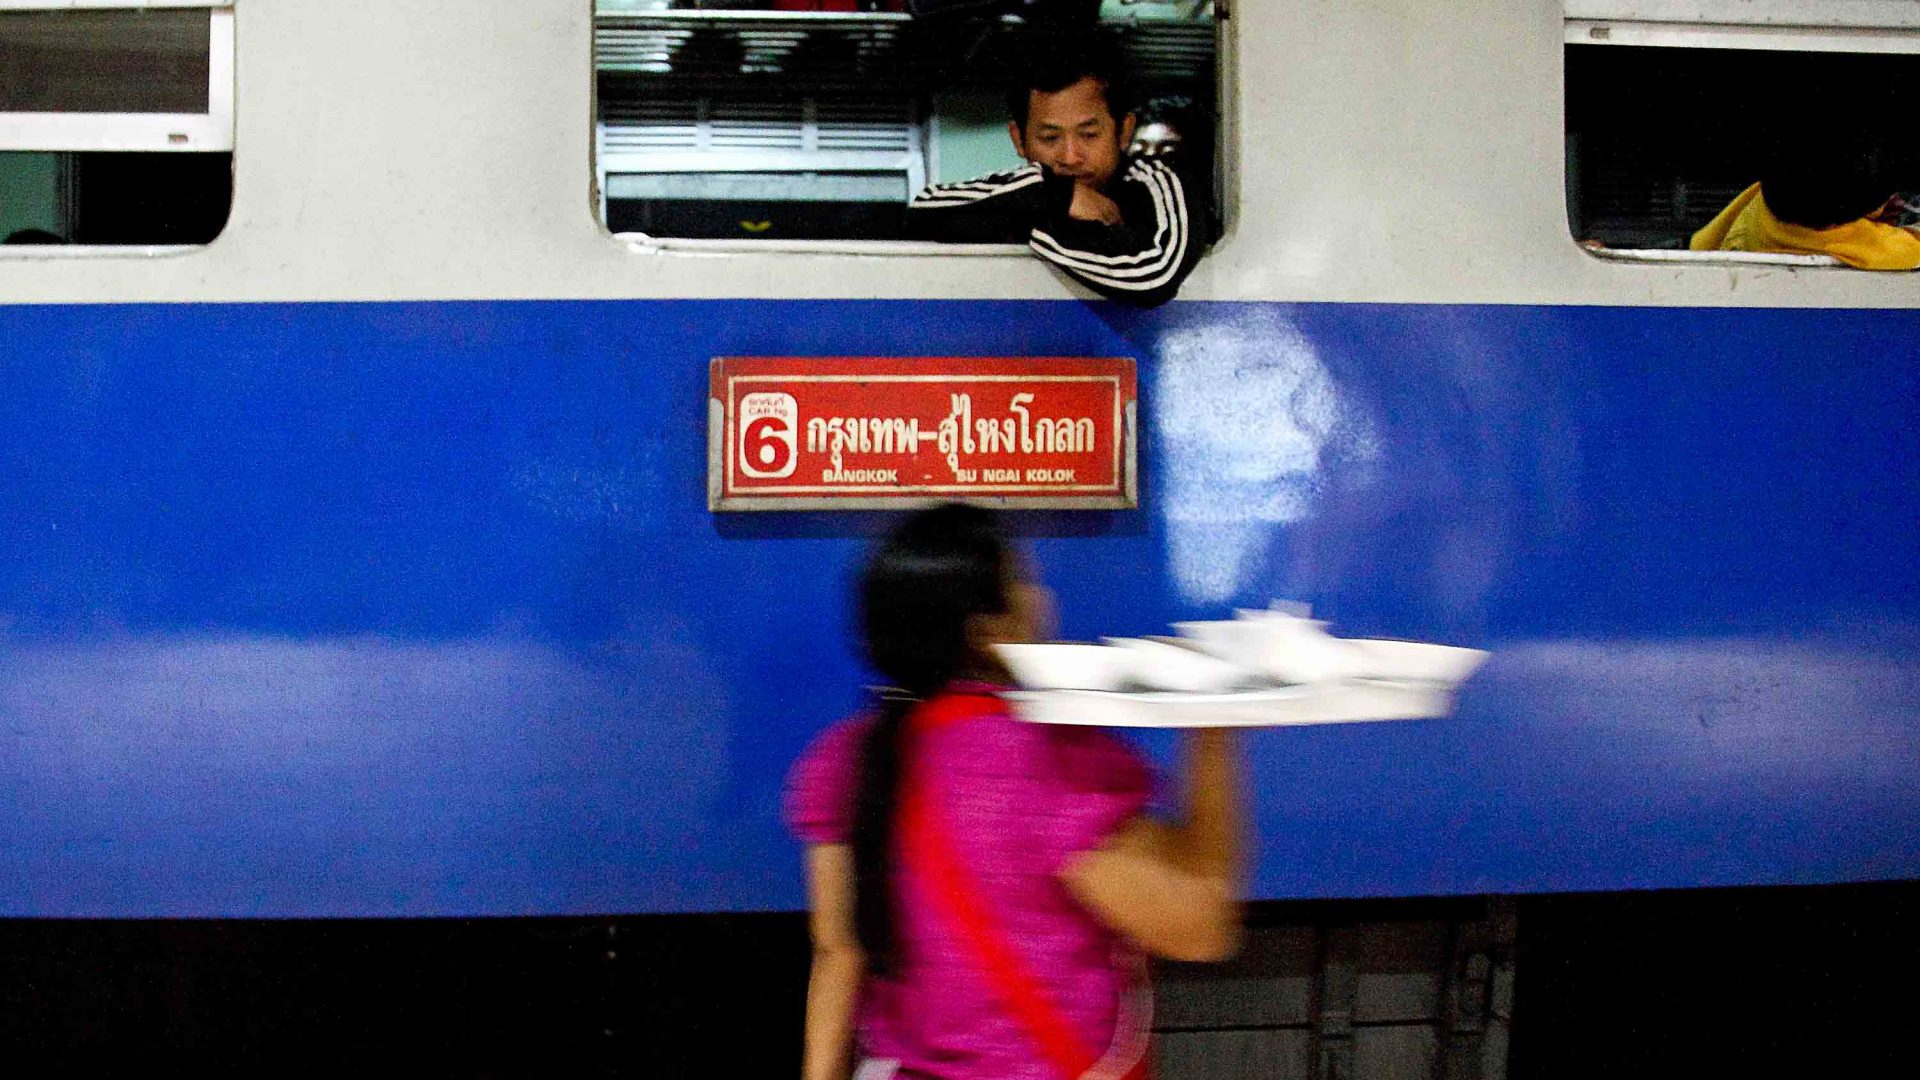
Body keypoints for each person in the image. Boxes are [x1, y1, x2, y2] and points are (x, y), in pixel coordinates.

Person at [786, 502, 1242, 1080]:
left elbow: (838, 955)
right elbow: (1201, 926)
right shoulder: (1046, 761)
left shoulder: (843, 760)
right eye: (1026, 580)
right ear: (989, 629)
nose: (1043, 596)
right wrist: (1215, 729)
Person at [906, 38, 1209, 307]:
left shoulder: (1159, 184)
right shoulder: (1029, 188)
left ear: (1124, 131)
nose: (1070, 156)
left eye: (1089, 135)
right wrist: (1059, 196)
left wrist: (1032, 223)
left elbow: (1153, 278)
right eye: (1050, 138)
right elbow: (924, 209)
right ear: (1019, 139)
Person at [1689, 136, 1920, 270]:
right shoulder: (1857, 243)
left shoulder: (1761, 202)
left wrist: (1871, 209)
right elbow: (1911, 246)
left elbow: (1704, 242)